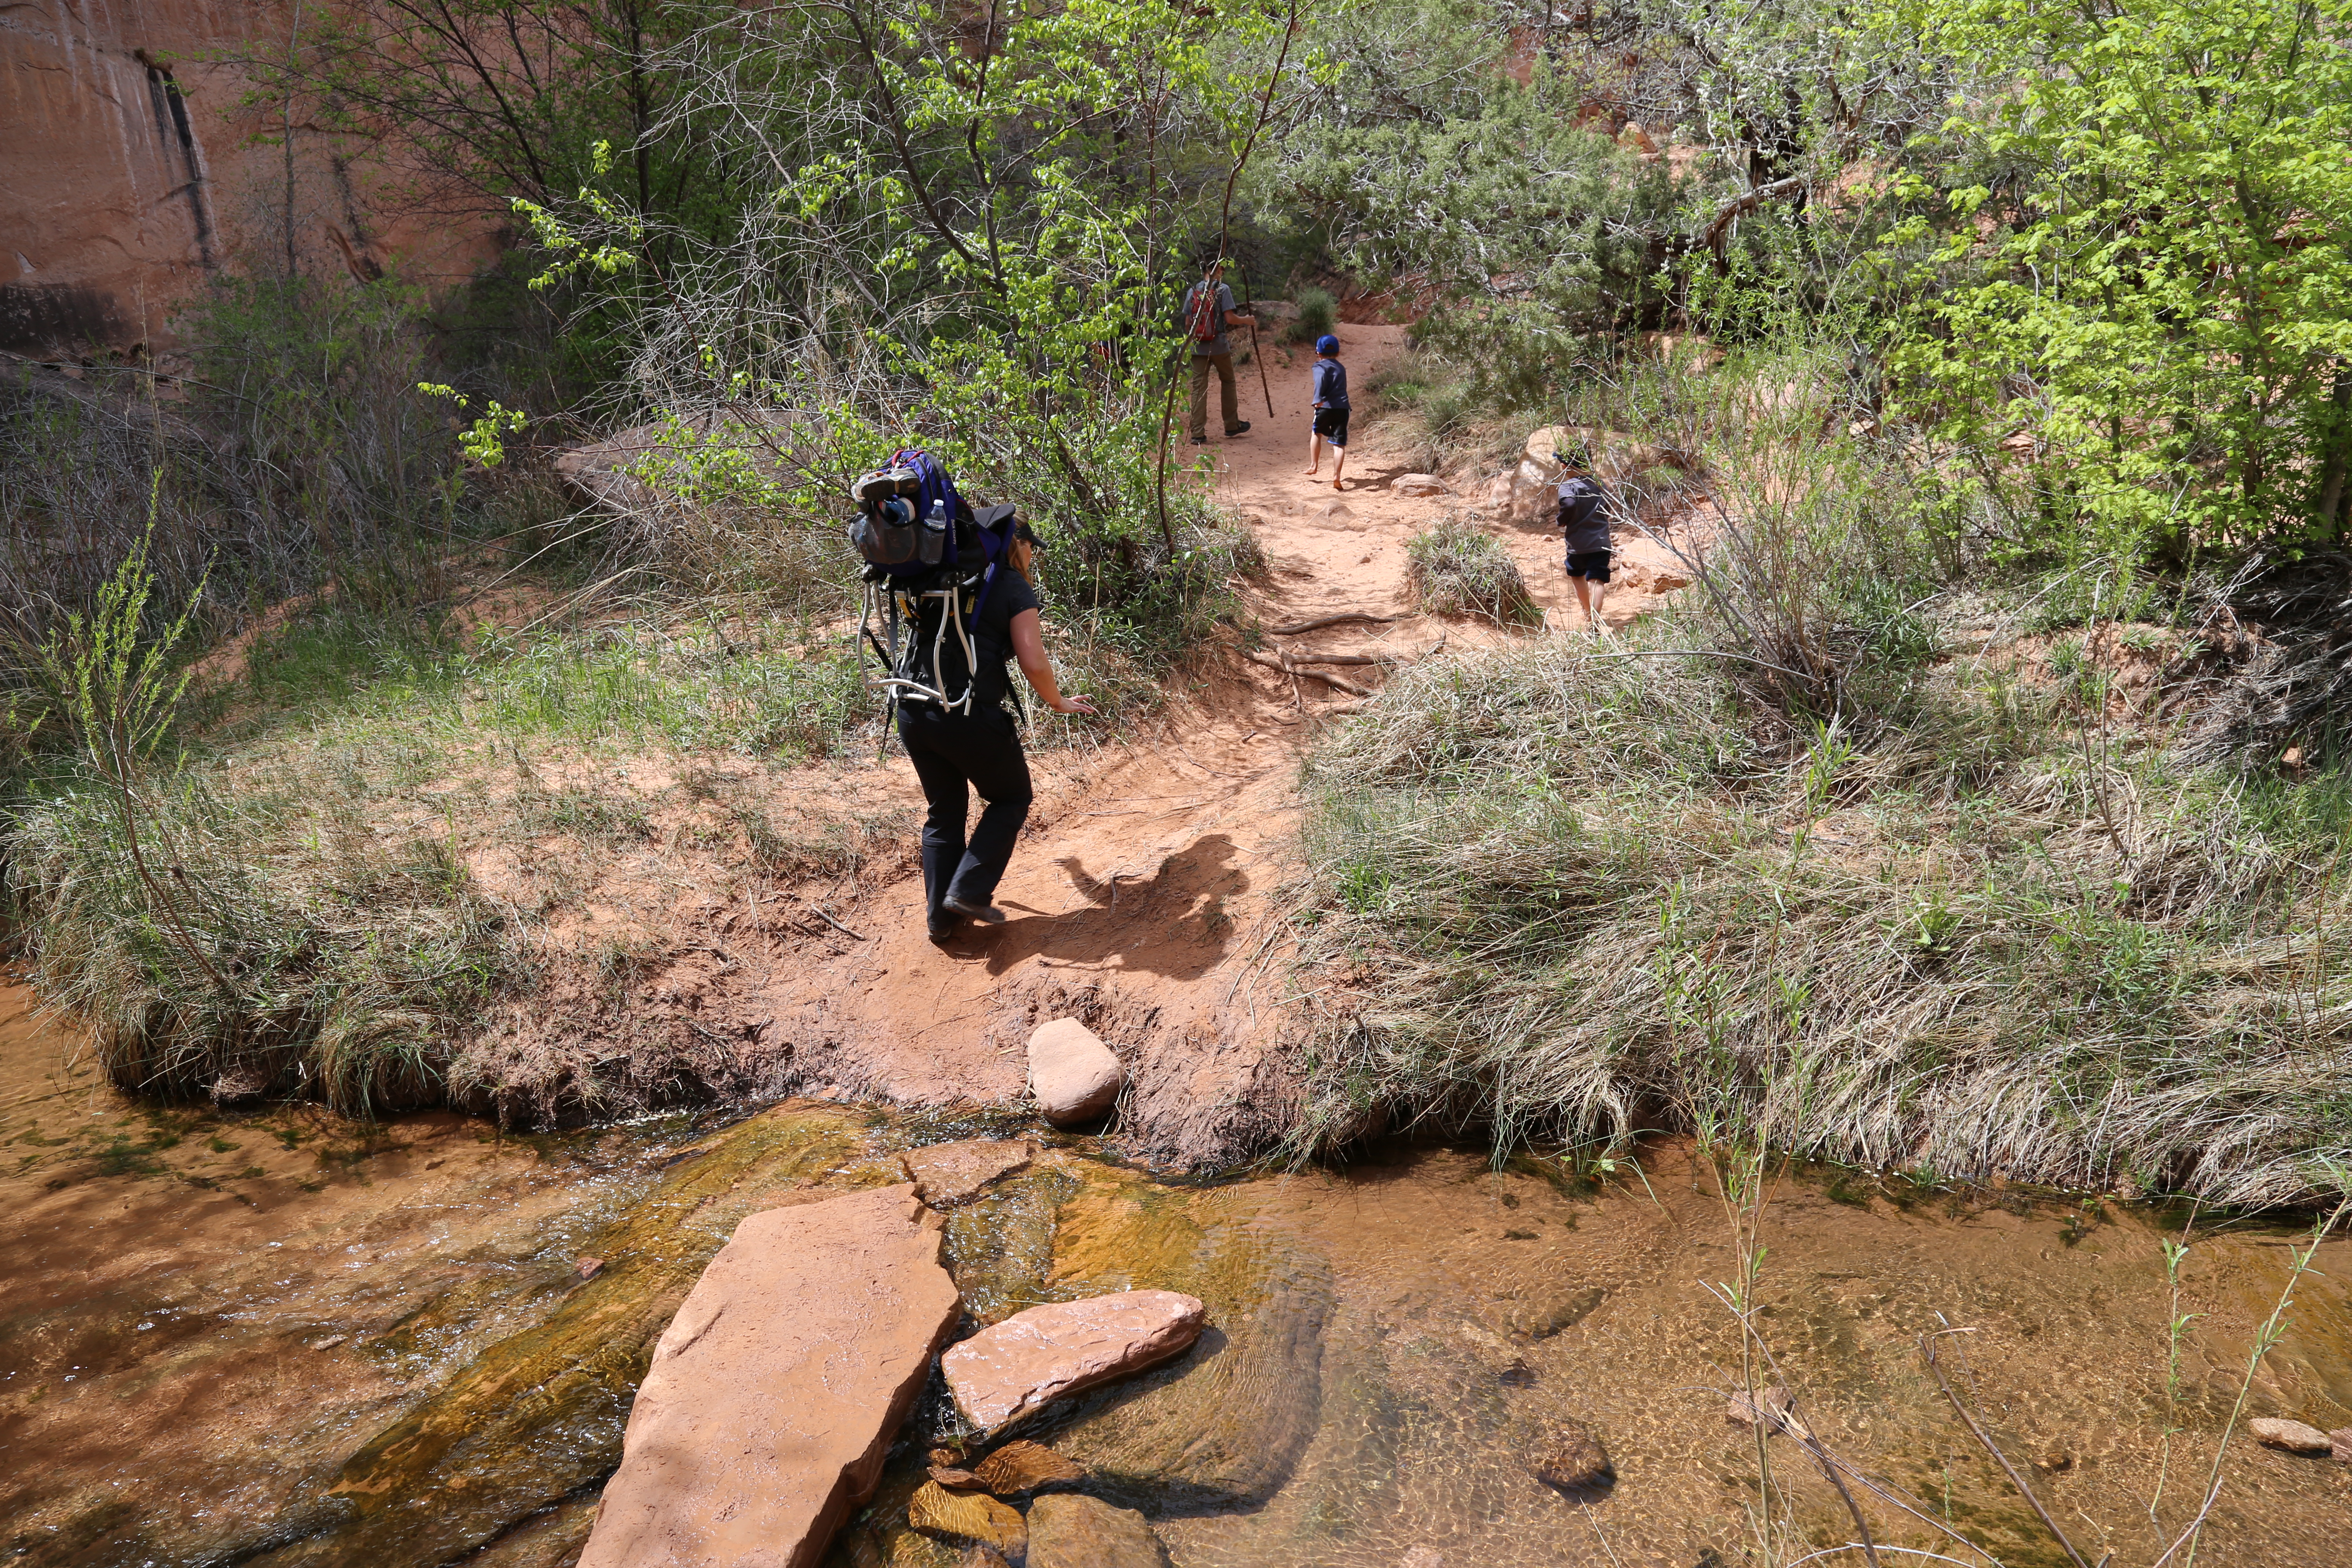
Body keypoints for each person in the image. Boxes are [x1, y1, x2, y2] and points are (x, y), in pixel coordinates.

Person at [896, 522, 1094, 946]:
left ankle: (941, 922)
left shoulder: (938, 577)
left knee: (944, 811)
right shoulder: (1008, 585)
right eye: (1030, 547)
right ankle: (968, 892)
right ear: (1015, 544)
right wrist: (1058, 702)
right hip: (966, 715)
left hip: (913, 711)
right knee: (1011, 797)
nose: (1032, 556)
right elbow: (1034, 661)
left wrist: (1076, 872)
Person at [1178, 255, 1256, 446]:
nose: (1223, 273)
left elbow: (1188, 323)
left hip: (1197, 348)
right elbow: (1229, 319)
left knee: (1198, 389)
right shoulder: (1223, 289)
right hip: (1219, 346)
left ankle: (1197, 433)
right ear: (1216, 270)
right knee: (1228, 381)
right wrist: (1247, 320)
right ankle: (1231, 425)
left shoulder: (1192, 291)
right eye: (1222, 269)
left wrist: (1195, 339)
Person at [1556, 444, 1619, 630]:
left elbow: (1568, 504)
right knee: (1598, 579)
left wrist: (1561, 520)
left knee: (1578, 576)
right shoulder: (1599, 483)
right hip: (1601, 542)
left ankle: (1587, 613)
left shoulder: (1568, 486)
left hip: (1577, 543)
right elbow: (1609, 503)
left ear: (1564, 466)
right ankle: (1595, 621)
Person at [1303, 333, 1349, 490]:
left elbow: (1321, 380)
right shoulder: (1341, 368)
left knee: (1317, 433)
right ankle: (1337, 475)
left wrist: (1318, 399)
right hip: (1342, 408)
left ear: (1318, 353)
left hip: (1325, 407)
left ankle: (1314, 465)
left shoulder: (1319, 366)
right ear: (1338, 353)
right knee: (1339, 444)